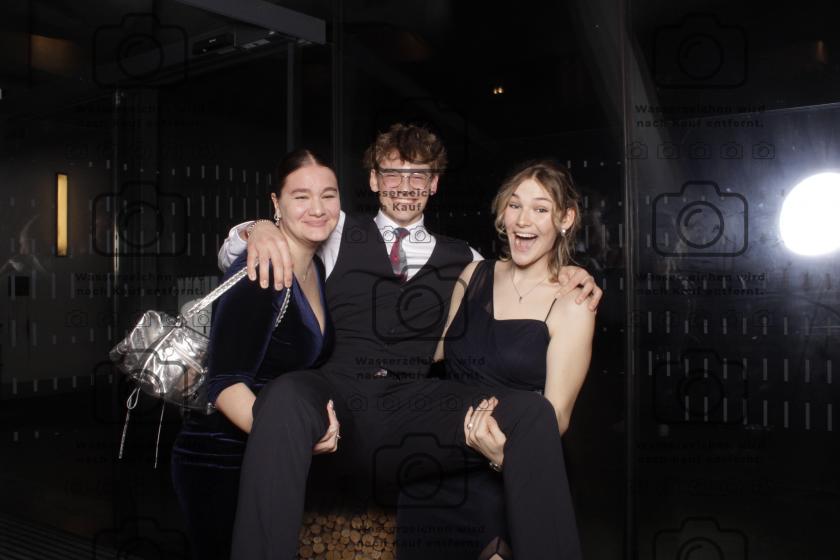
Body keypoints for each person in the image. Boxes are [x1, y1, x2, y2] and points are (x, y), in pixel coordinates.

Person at [217, 123, 603, 559]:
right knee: (285, 394)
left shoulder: (466, 260)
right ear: (373, 181)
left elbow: (524, 271)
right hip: (339, 394)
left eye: (418, 175)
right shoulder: (335, 231)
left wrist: (571, 272)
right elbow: (249, 245)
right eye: (392, 174)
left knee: (533, 414)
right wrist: (258, 229)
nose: (405, 186)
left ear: (434, 184)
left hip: (412, 404)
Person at [397, 159, 595, 560]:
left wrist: (507, 459)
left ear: (565, 219)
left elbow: (556, 416)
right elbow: (431, 353)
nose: (523, 220)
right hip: (438, 466)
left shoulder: (573, 303)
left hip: (501, 473)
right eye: (515, 205)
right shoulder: (473, 275)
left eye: (541, 209)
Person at [170, 149, 342, 560]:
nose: (318, 209)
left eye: (329, 195)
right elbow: (224, 384)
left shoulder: (313, 268)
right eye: (301, 196)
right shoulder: (260, 273)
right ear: (276, 204)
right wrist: (292, 439)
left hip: (266, 452)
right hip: (220, 458)